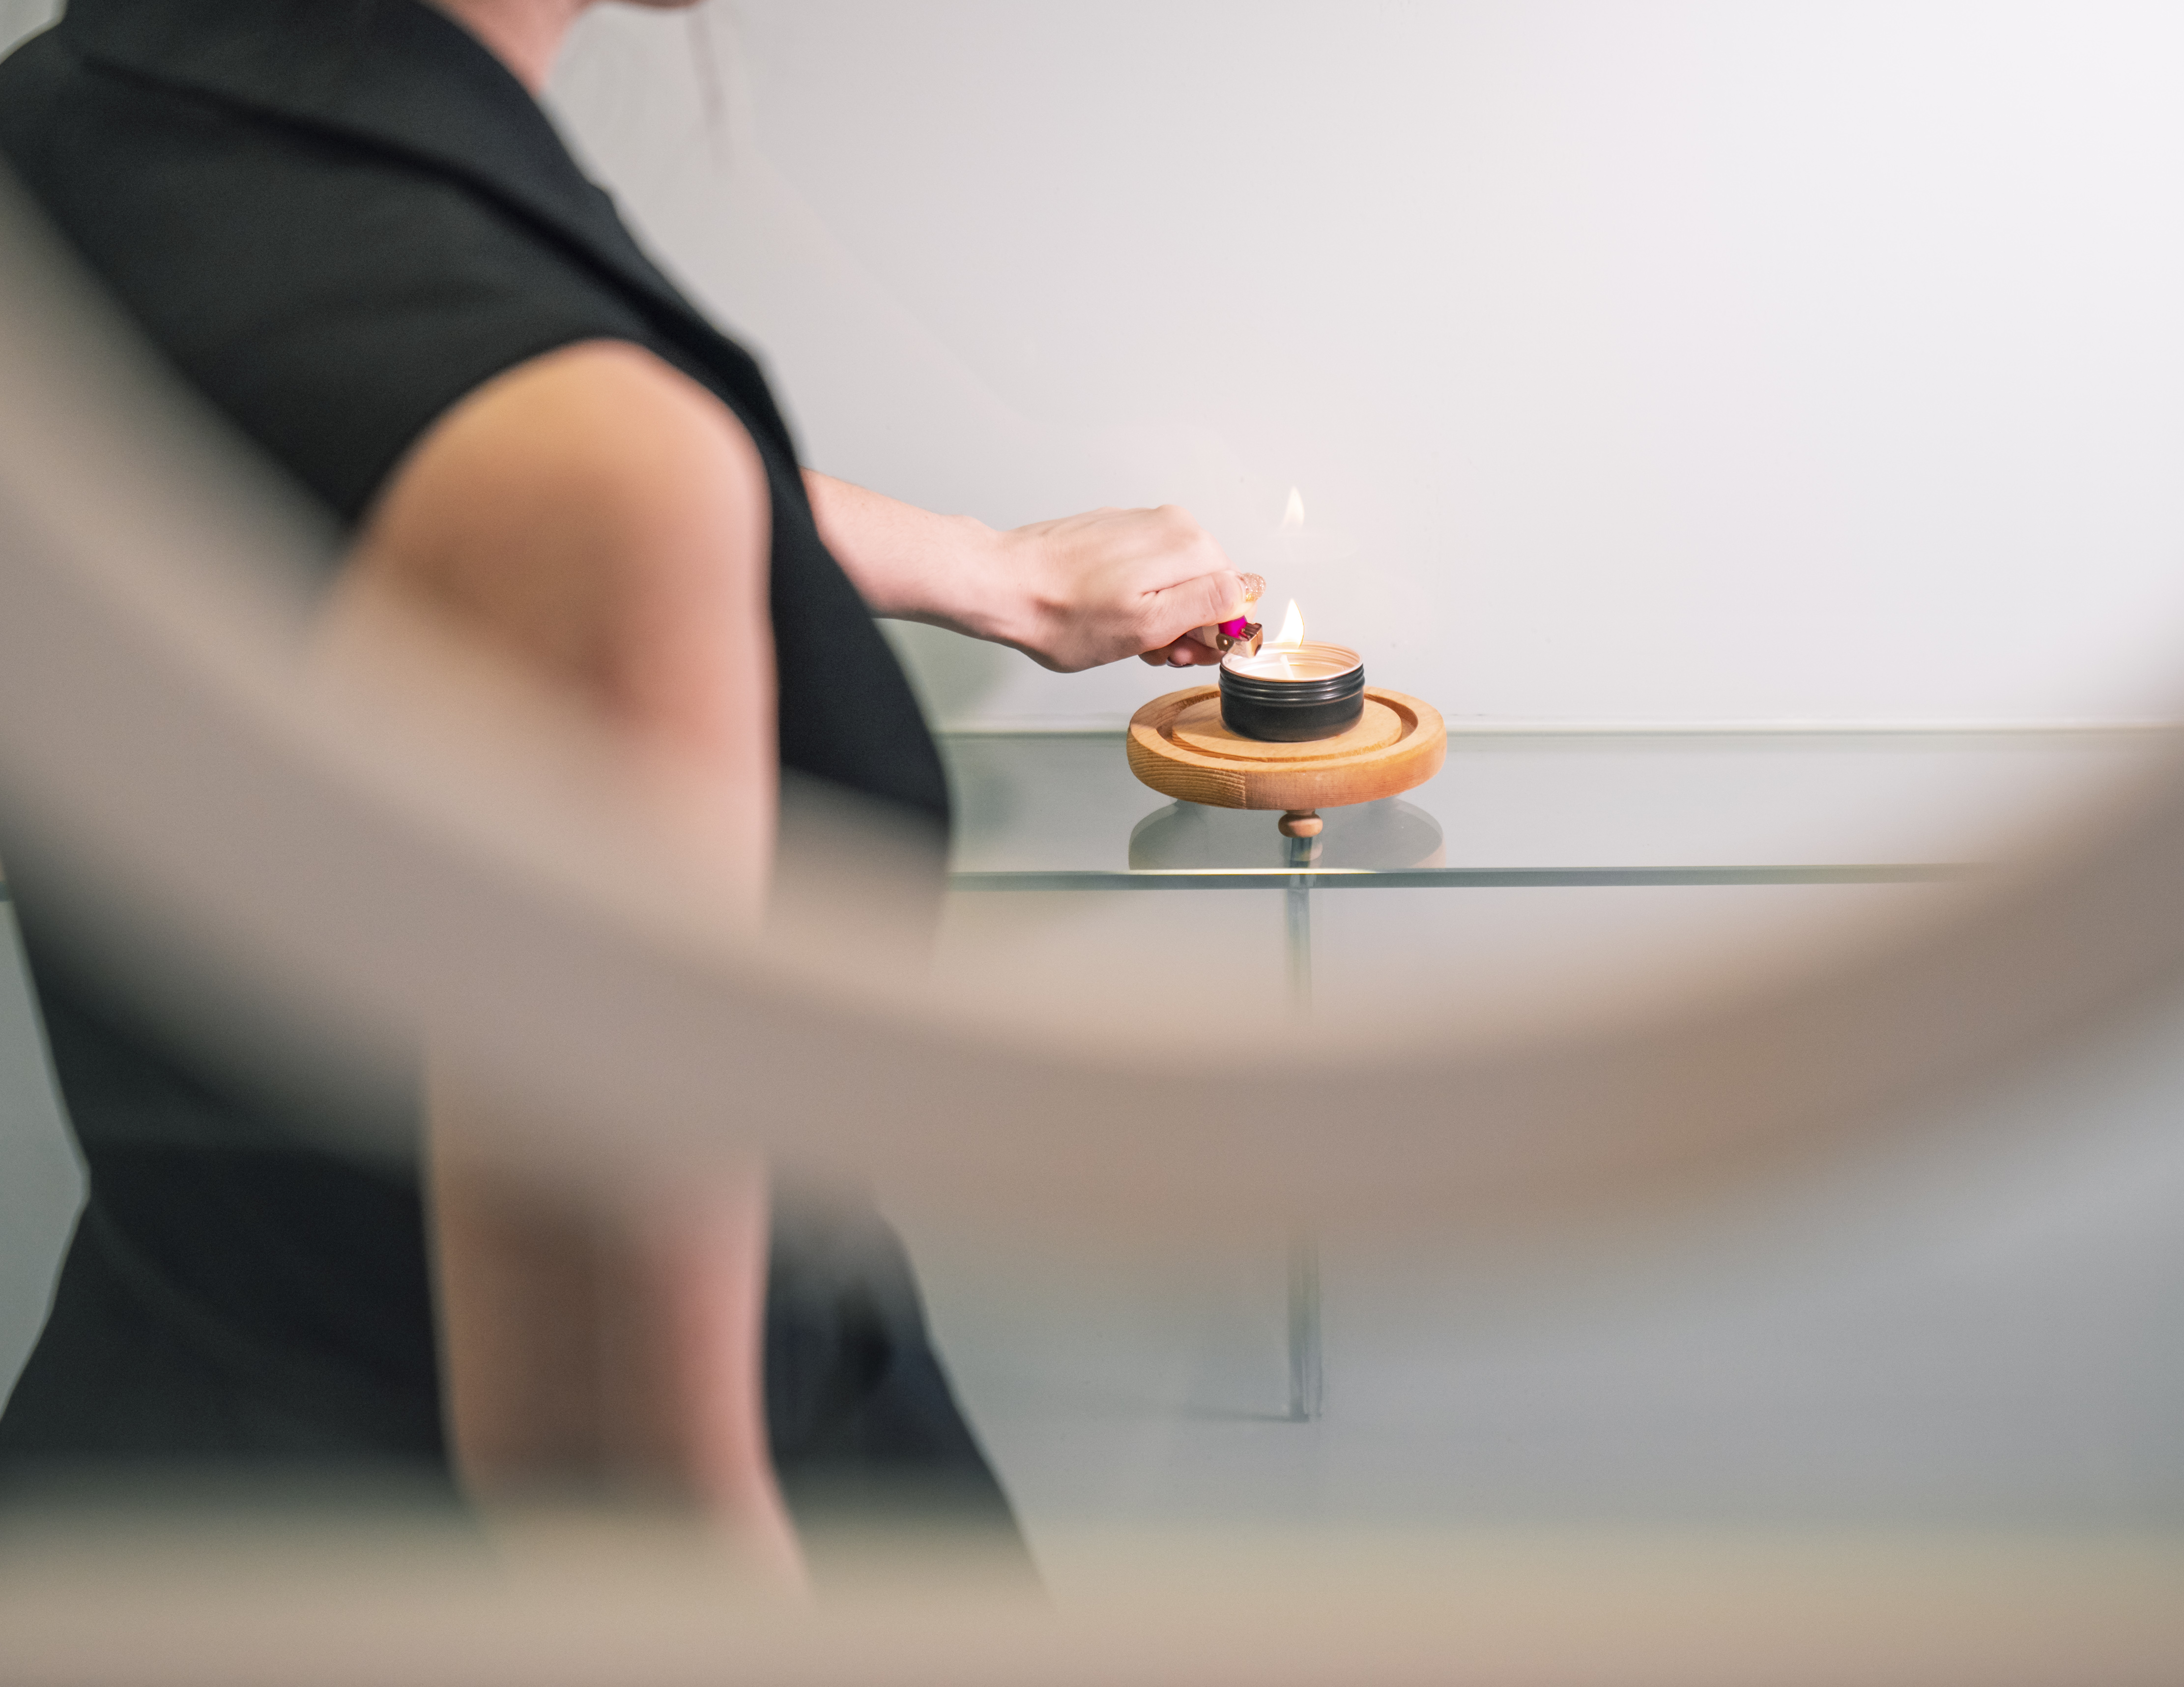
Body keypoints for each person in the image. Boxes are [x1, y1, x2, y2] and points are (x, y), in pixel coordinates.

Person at [0, 0, 1256, 1578]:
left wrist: (985, 567)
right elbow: (615, 1509)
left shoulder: (77, 115)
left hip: (148, 1491)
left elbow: (341, 419)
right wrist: (643, 507)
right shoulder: (576, 465)